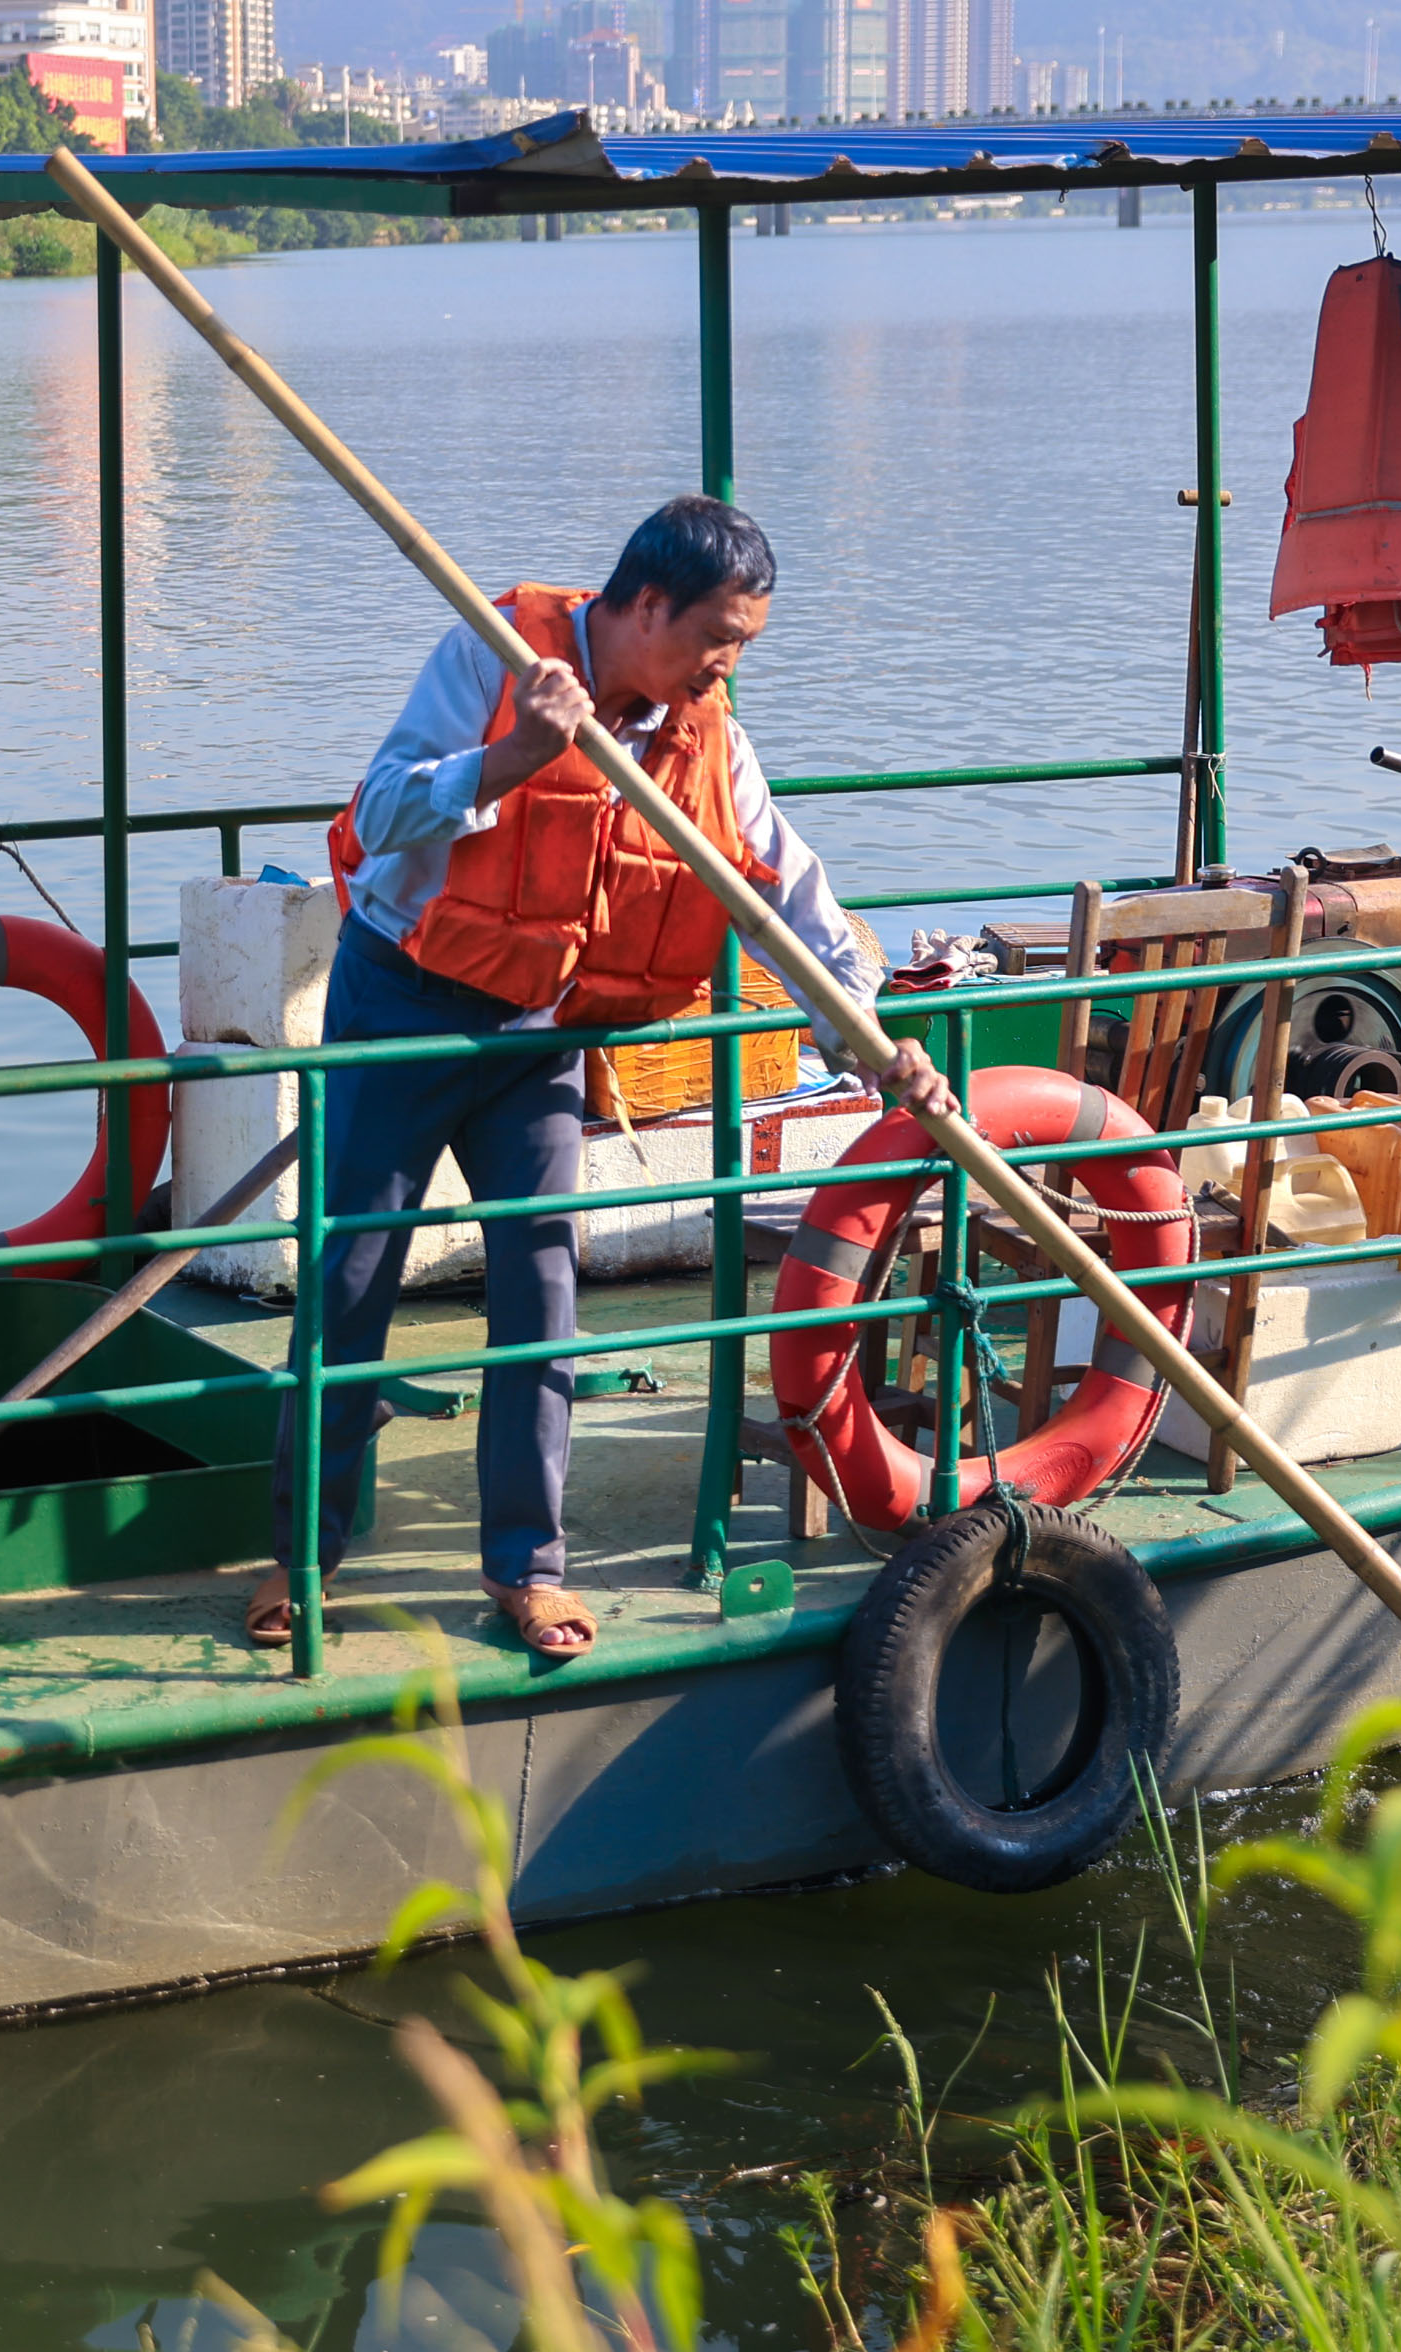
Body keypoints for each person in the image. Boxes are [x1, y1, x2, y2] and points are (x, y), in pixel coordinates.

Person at [246, 495, 953, 1660]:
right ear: (641, 604)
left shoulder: (703, 727)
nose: (725, 665)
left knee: (541, 1288)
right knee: (352, 1276)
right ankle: (301, 1556)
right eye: (715, 636)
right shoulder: (494, 651)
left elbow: (780, 881)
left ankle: (526, 1565)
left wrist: (871, 1037)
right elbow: (377, 811)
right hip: (406, 1000)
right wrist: (515, 754)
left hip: (541, 1029)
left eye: (742, 645)